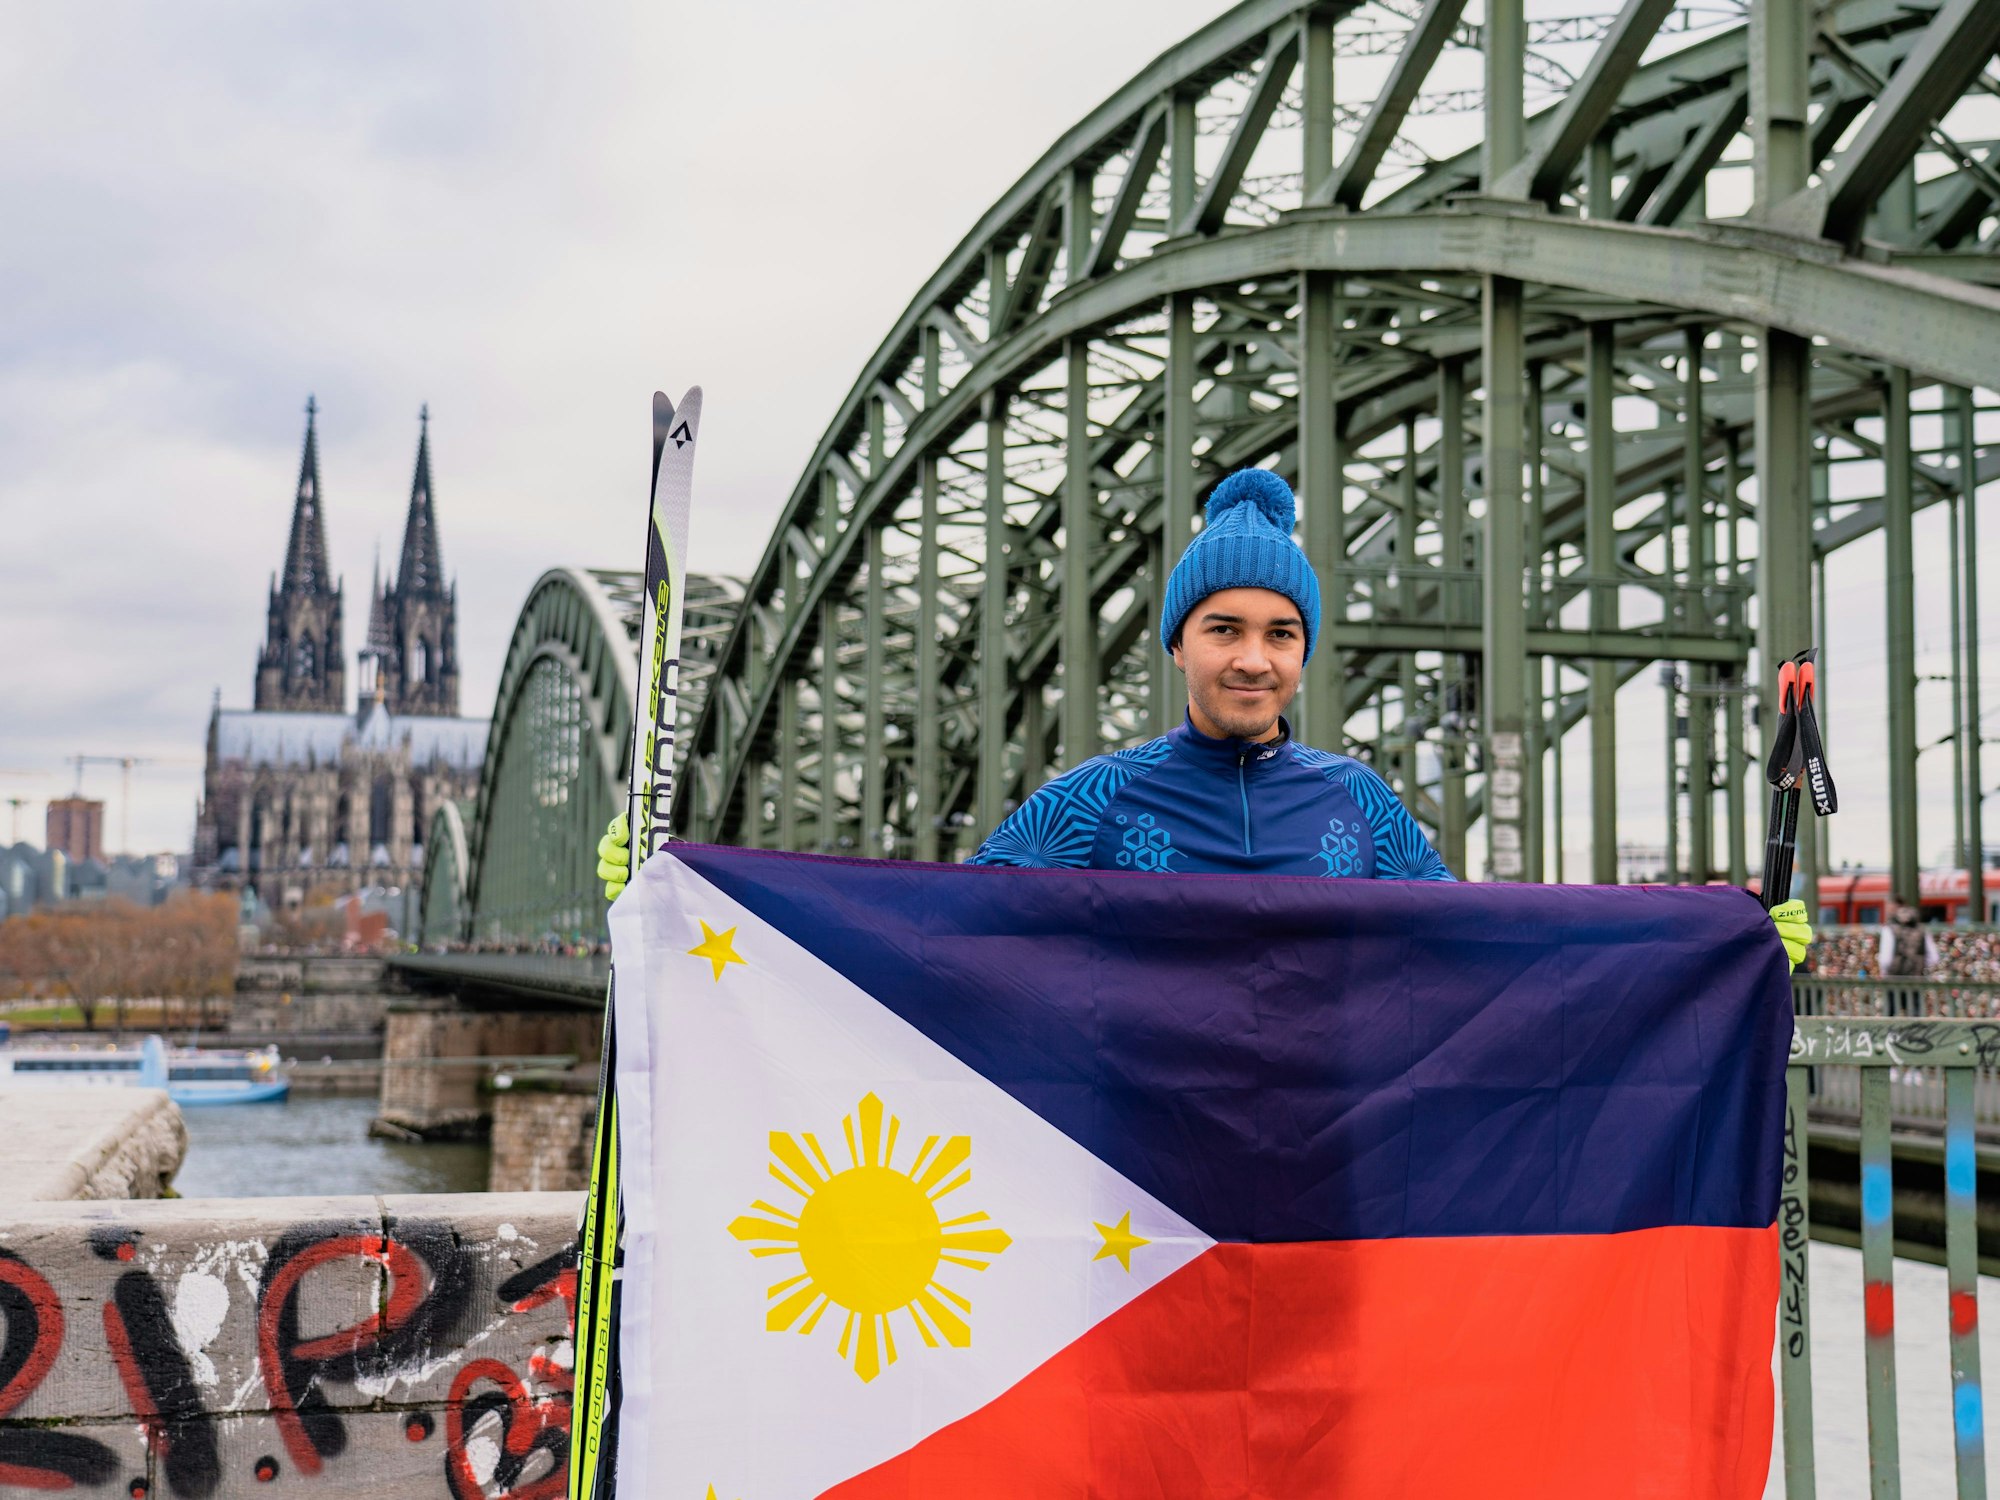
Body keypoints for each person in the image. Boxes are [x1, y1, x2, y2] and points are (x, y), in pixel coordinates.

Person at [596, 466, 1811, 966]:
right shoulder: (1090, 805)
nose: (1252, 660)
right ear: (1175, 642)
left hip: (1319, 1195)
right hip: (1134, 1204)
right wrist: (689, 897)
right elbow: (934, 940)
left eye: (1279, 634)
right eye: (1223, 629)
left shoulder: (1360, 809)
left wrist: (1707, 934)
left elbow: (1484, 943)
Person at [1878, 903, 1937, 978]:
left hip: (1894, 980)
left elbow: (1885, 961)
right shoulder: (1922, 930)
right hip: (1916, 980)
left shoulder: (1889, 929)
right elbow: (1934, 958)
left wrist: (1885, 973)